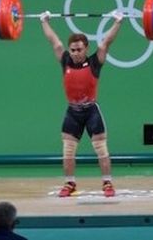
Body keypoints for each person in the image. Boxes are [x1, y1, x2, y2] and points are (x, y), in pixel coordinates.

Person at [40, 10, 124, 197]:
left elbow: (107, 42)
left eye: (79, 49)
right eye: (73, 49)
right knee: (68, 151)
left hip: (91, 111)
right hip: (73, 112)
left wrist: (118, 22)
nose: (76, 53)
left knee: (101, 149)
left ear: (86, 48)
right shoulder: (65, 61)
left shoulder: (95, 62)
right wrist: (44, 21)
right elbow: (54, 41)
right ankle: (70, 184)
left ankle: (107, 183)